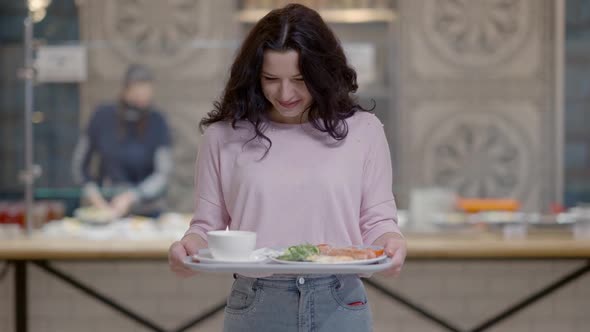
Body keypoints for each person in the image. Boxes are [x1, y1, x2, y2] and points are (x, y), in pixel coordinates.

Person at [168, 4, 406, 331]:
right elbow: (206, 229)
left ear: (323, 73)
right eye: (271, 79)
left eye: (299, 79)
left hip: (340, 301)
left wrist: (392, 242)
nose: (285, 93)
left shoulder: (364, 131)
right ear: (254, 76)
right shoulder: (222, 137)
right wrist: (187, 251)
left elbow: (377, 220)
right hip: (256, 304)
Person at [72, 64, 173, 219]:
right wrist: (93, 194)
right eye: (138, 91)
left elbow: (163, 174)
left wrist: (132, 196)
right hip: (106, 209)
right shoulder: (102, 116)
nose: (142, 97)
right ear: (126, 89)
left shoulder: (158, 121)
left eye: (146, 92)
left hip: (146, 212)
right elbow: (79, 165)